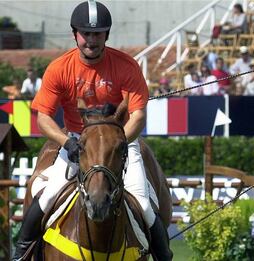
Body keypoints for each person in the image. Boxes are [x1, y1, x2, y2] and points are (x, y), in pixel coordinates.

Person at [12, 1, 173, 260]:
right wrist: (66, 143)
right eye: (86, 33)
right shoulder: (59, 68)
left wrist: (120, 143)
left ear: (106, 35)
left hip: (119, 141)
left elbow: (138, 115)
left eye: (97, 34)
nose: (91, 40)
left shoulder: (126, 66)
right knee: (47, 195)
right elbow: (43, 118)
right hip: (77, 141)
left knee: (143, 203)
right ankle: (21, 254)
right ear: (75, 34)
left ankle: (163, 255)